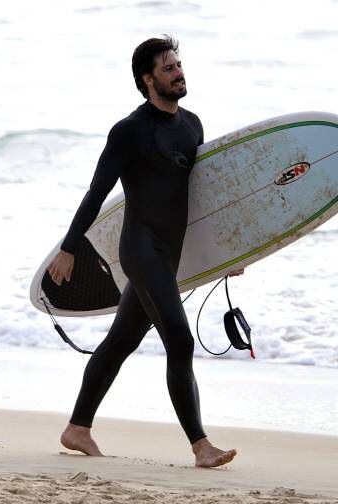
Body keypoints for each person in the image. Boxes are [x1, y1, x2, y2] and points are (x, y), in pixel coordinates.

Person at [47, 36, 244, 468]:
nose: (179, 72)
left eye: (179, 64)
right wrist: (69, 247)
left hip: (169, 253)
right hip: (140, 249)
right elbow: (97, 192)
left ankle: (77, 428)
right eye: (169, 68)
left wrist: (230, 253)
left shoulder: (192, 125)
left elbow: (207, 199)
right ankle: (201, 446)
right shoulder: (130, 131)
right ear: (147, 79)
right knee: (179, 338)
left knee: (121, 341)